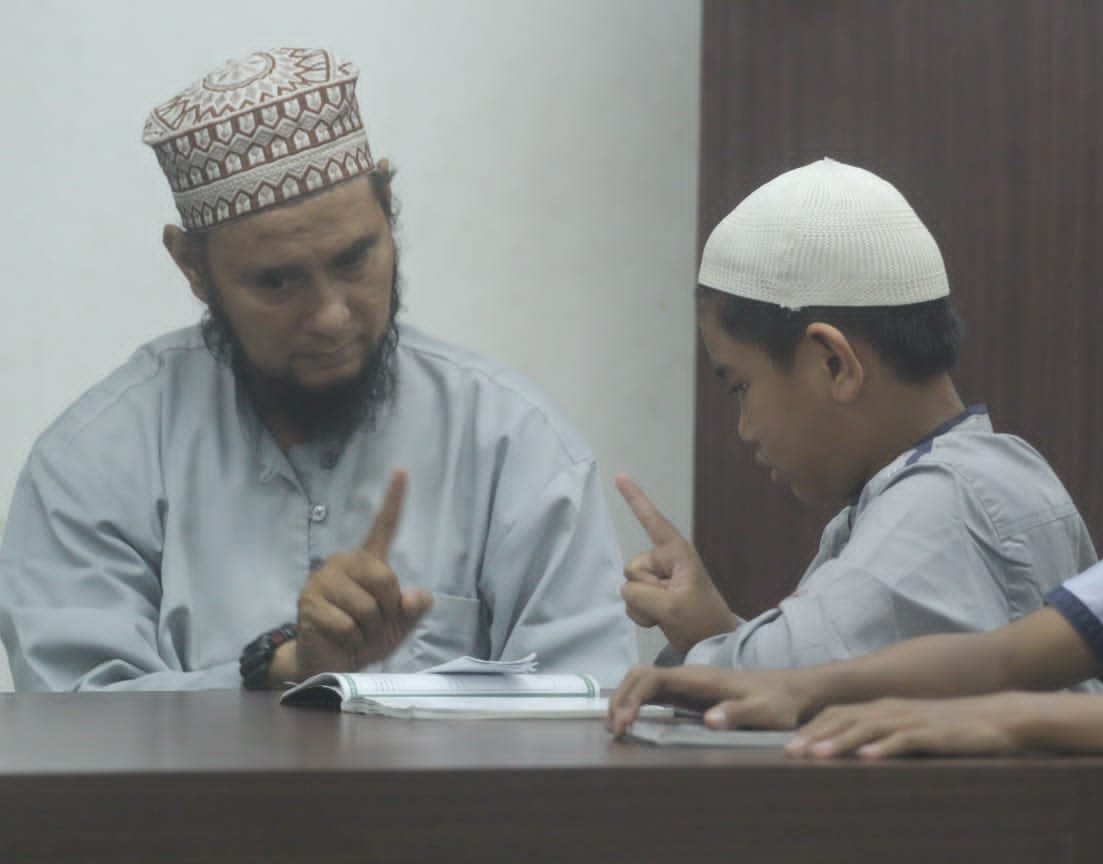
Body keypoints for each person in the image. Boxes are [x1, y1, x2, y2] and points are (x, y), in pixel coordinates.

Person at [608, 153, 1103, 864]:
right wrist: (798, 685)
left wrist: (1016, 720)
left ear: (836, 362)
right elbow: (1012, 656)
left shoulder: (952, 496)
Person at [0, 47, 635, 691]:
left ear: (387, 207)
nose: (330, 317)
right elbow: (77, 719)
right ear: (192, 266)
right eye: (277, 282)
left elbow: (584, 706)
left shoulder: (514, 446)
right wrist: (284, 672)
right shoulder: (94, 463)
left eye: (354, 260)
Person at [616, 158, 1098, 671]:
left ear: (834, 364)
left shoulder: (937, 508)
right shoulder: (1000, 469)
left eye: (741, 387)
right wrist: (713, 633)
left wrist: (705, 646)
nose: (744, 428)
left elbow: (790, 684)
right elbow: (823, 679)